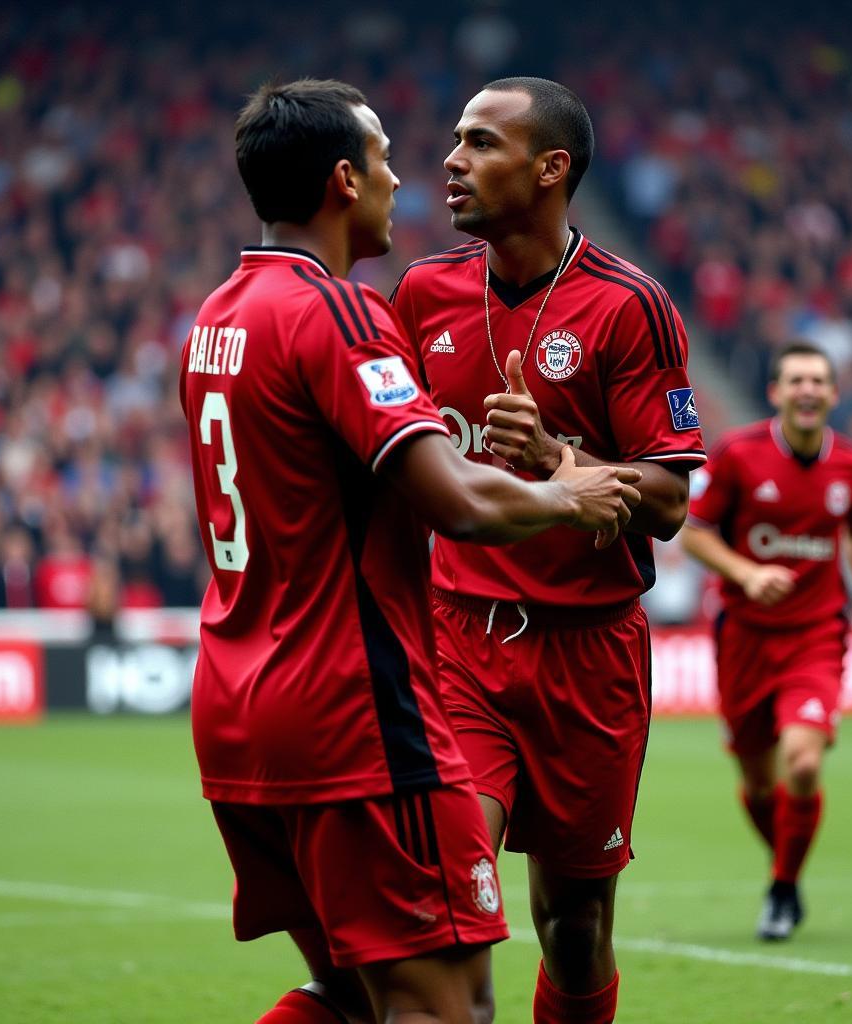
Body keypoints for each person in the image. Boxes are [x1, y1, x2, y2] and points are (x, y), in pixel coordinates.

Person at [180, 79, 640, 1024]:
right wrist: (566, 488)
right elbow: (456, 502)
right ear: (345, 180)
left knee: (348, 994)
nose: (413, 175)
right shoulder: (339, 311)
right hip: (351, 716)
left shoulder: (216, 319)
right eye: (389, 158)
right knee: (449, 1007)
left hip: (236, 704)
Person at [390, 78, 707, 1024]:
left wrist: (560, 462)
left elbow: (669, 499)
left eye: (481, 143)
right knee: (448, 889)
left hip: (589, 652)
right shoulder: (421, 294)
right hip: (459, 641)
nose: (451, 160)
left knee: (573, 926)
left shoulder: (629, 307)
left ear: (550, 168)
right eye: (456, 140)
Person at [681, 341, 852, 941]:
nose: (808, 390)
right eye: (796, 379)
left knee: (801, 761)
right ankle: (787, 869)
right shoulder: (738, 455)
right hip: (743, 637)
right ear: (775, 392)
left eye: (818, 381)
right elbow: (693, 534)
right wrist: (745, 573)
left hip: (816, 634)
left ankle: (782, 887)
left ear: (833, 395)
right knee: (758, 783)